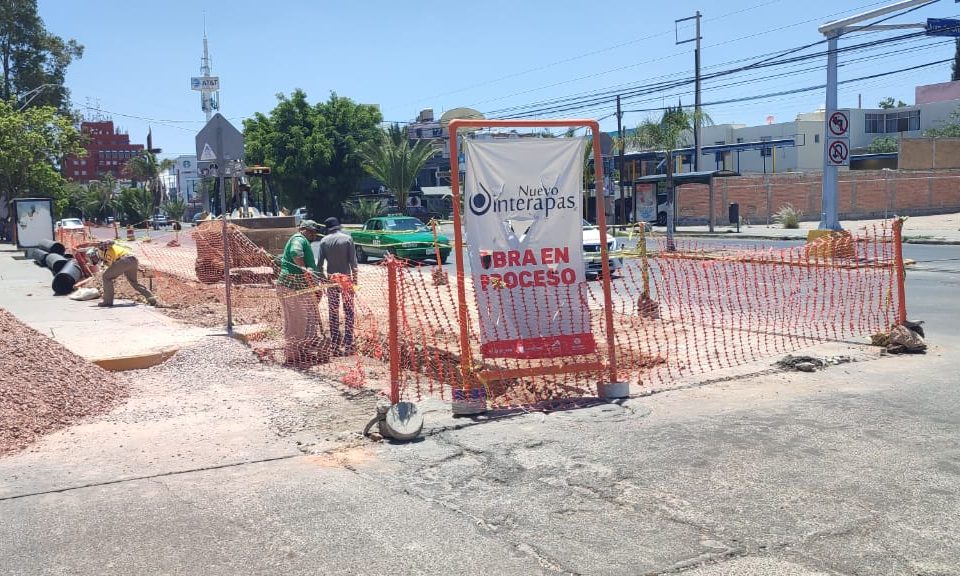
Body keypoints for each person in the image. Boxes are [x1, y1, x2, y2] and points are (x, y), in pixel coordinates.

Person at [277, 219, 323, 366]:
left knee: (305, 320)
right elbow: (295, 252)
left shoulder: (303, 240)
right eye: (313, 233)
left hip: (299, 287)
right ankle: (293, 355)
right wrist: (304, 268)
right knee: (297, 321)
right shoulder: (298, 239)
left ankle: (302, 352)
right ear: (306, 231)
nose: (314, 236)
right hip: (293, 287)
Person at [316, 216, 358, 355]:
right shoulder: (347, 239)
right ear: (338, 226)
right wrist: (355, 281)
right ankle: (349, 343)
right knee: (349, 312)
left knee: (333, 312)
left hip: (331, 280)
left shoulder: (323, 241)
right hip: (346, 280)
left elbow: (319, 265)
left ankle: (334, 344)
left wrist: (323, 280)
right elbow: (353, 263)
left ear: (327, 229)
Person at [86, 240, 158, 307]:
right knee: (134, 283)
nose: (95, 259)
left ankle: (107, 302)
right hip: (132, 260)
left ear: (95, 253)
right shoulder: (105, 261)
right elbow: (115, 268)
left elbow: (111, 242)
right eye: (93, 259)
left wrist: (100, 243)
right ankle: (151, 299)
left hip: (124, 259)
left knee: (106, 277)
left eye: (94, 257)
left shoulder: (101, 249)